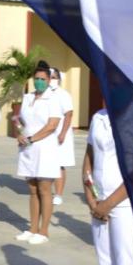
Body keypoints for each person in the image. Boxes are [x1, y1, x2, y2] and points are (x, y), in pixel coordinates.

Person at [84, 108, 133, 265]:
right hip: (98, 203)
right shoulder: (98, 117)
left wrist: (108, 204)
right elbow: (90, 157)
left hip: (124, 204)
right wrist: (91, 197)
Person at [14, 61, 63, 245]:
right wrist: (19, 133)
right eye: (36, 79)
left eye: (43, 79)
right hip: (28, 148)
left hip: (45, 148)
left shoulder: (54, 99)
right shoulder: (27, 98)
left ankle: (44, 231)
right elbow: (19, 120)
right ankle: (32, 228)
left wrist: (32, 138)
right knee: (32, 189)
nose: (39, 82)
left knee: (44, 189)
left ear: (49, 80)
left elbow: (52, 126)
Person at [49, 66, 76, 207]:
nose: (51, 80)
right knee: (47, 163)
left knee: (59, 164)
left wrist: (63, 133)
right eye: (50, 77)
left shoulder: (63, 94)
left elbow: (69, 114)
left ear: (58, 79)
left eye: (54, 77)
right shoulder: (43, 94)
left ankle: (58, 194)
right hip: (46, 134)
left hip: (60, 133)